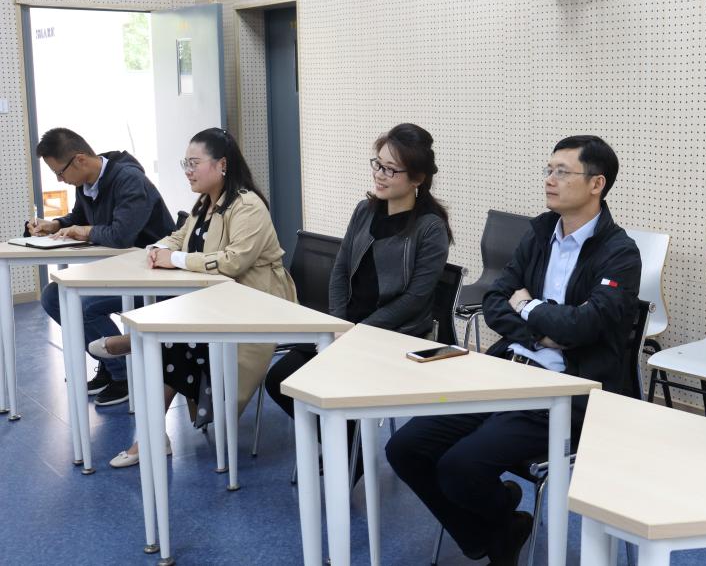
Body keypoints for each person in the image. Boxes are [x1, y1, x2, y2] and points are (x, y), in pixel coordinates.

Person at [385, 135, 642, 566]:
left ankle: (496, 528)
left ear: (596, 183)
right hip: (509, 371)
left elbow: (585, 326)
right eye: (548, 169)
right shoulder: (539, 232)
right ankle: (498, 528)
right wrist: (541, 332)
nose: (550, 179)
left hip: (565, 392)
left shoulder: (620, 253)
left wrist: (529, 306)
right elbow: (494, 301)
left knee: (459, 467)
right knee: (405, 448)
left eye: (563, 172)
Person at [89, 128, 296, 468]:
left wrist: (176, 259)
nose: (187, 170)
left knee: (170, 342)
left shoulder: (248, 206)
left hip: (257, 305)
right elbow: (179, 236)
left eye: (194, 163)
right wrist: (158, 249)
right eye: (185, 163)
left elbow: (233, 262)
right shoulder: (206, 203)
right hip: (217, 304)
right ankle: (151, 432)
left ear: (222, 164)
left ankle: (138, 348)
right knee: (171, 339)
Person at [264, 122, 453, 419]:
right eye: (378, 164)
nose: (379, 174)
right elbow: (340, 271)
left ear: (417, 178)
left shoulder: (430, 228)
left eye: (391, 169)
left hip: (394, 334)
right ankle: (340, 442)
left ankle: (349, 445)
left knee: (334, 390)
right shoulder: (364, 211)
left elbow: (415, 299)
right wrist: (339, 323)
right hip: (347, 327)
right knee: (280, 379)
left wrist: (357, 331)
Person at [32, 127, 175, 406]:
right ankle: (112, 366)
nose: (60, 180)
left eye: (60, 172)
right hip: (120, 272)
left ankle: (124, 374)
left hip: (153, 276)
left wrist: (85, 231)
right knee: (53, 296)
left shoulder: (129, 180)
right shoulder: (86, 184)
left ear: (80, 160)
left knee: (81, 305)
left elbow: (121, 236)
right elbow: (79, 217)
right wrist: (56, 224)